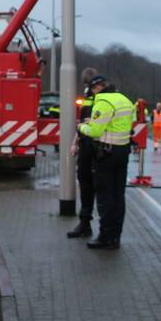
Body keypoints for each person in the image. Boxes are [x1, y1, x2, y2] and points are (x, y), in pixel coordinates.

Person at [78, 74, 135, 250]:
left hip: (106, 154)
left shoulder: (103, 101)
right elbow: (126, 123)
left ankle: (104, 236)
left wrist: (81, 126)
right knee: (119, 196)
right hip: (123, 152)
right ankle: (115, 238)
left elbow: (95, 130)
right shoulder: (124, 99)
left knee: (105, 196)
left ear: (96, 88)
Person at [66, 68, 99, 239]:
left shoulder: (98, 101)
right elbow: (81, 125)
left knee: (89, 187)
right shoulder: (87, 101)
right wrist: (75, 142)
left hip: (93, 149)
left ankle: (86, 224)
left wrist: (75, 142)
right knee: (87, 185)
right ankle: (86, 223)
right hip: (87, 147)